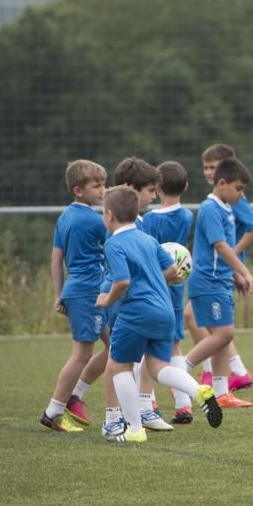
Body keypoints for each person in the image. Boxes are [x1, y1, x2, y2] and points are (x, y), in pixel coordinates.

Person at [95, 185, 221, 443]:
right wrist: (149, 279)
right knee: (157, 366)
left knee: (120, 366)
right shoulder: (148, 239)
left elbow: (121, 282)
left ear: (109, 215)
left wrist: (106, 299)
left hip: (136, 313)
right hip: (164, 309)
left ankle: (134, 430)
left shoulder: (113, 243)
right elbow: (173, 269)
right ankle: (198, 390)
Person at [182, 157, 253, 409]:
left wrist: (235, 276)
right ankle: (179, 372)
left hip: (221, 281)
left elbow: (222, 250)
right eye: (238, 188)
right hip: (209, 282)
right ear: (222, 183)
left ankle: (221, 392)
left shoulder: (225, 207)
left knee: (222, 336)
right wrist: (244, 271)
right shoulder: (210, 208)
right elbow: (221, 246)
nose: (241, 194)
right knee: (225, 334)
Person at [39, 160, 108, 433]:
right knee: (82, 353)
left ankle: (75, 396)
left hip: (78, 290)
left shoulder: (65, 217)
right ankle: (54, 410)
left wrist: (59, 294)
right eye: (97, 185)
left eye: (104, 184)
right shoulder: (93, 220)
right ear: (78, 190)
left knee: (117, 346)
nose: (103, 190)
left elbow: (56, 260)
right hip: (89, 292)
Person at [141, 161, 196, 424]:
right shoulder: (187, 216)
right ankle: (184, 405)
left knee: (147, 346)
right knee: (175, 346)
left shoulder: (149, 219)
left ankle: (148, 401)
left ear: (157, 187)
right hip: (177, 286)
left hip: (156, 286)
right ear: (185, 186)